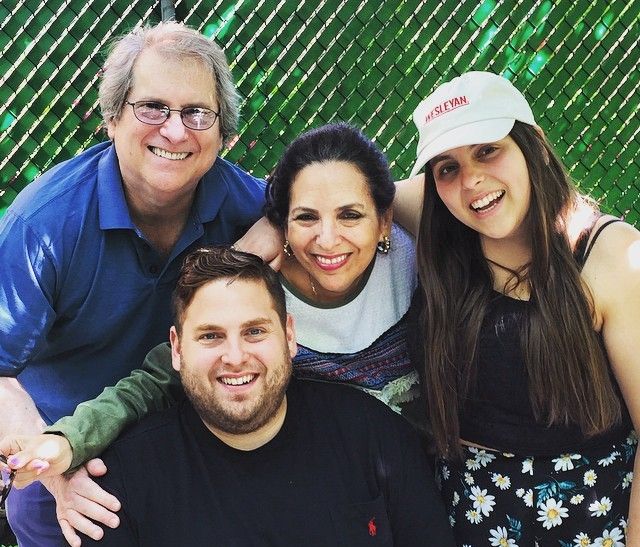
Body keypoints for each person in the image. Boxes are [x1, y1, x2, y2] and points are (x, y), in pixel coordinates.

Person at [1, 123, 424, 538]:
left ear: (383, 220)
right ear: (282, 223)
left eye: (350, 215)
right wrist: (70, 441)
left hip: (415, 464)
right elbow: (155, 380)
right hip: (312, 479)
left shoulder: (416, 261)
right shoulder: (257, 288)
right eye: (306, 217)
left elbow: (459, 192)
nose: (328, 239)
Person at [0, 21, 273, 546]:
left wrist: (273, 231)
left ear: (225, 134)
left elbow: (341, 205)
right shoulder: (44, 224)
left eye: (198, 113)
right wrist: (57, 469)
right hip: (73, 441)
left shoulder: (247, 204)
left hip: (194, 427)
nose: (175, 131)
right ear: (111, 118)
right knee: (47, 513)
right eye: (152, 108)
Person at [18, 246, 457, 546]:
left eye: (254, 331)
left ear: (289, 336)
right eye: (210, 336)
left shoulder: (372, 437)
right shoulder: (123, 483)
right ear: (176, 348)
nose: (235, 356)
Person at [409, 71, 639, 545]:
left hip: (585, 519)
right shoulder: (439, 220)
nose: (472, 180)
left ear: (531, 143)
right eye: (447, 167)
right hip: (464, 516)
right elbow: (336, 198)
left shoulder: (610, 256)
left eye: (487, 149)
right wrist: (271, 228)